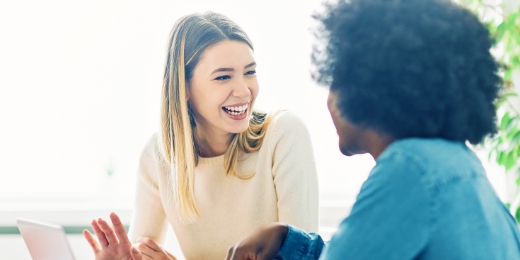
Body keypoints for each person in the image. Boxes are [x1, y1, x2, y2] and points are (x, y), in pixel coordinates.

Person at [225, 0, 520, 259]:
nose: (329, 100)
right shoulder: (459, 166)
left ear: (366, 87)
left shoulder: (410, 169)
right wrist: (286, 239)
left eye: (335, 79)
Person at [83, 11, 319, 260]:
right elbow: (141, 253)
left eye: (250, 72)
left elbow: (301, 256)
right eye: (223, 77)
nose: (244, 90)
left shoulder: (284, 135)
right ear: (184, 88)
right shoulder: (159, 154)